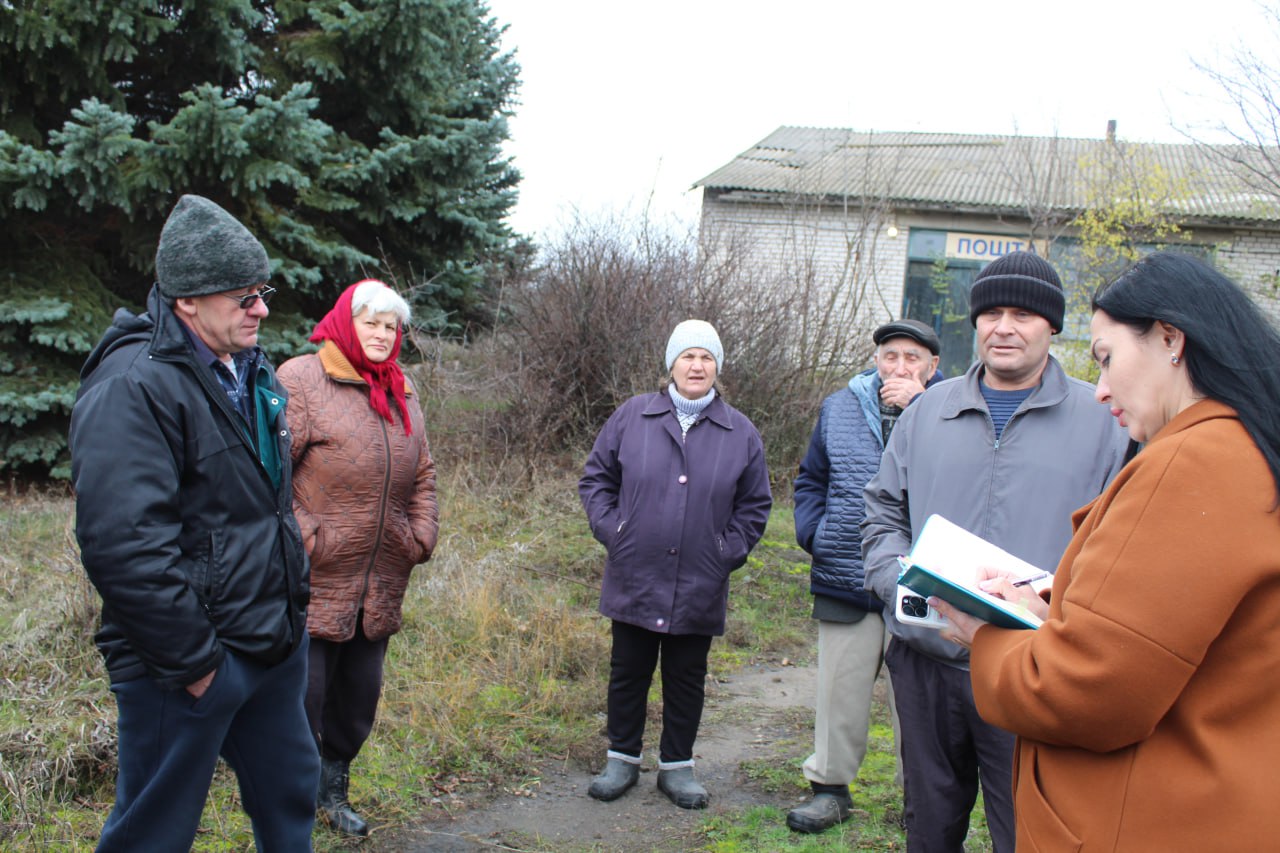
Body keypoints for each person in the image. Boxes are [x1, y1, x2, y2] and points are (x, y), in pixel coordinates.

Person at [932, 251, 1280, 851]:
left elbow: (1085, 694)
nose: (1100, 390)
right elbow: (1174, 638)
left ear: (1170, 339)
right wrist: (1050, 611)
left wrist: (984, 632)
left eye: (1107, 358)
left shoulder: (1191, 462)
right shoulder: (1250, 449)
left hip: (1146, 818)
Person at [69, 194, 317, 851]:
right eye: (244, 297)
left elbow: (260, 502)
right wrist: (197, 664)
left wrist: (290, 615)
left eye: (261, 291)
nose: (262, 308)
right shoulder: (132, 386)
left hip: (269, 639)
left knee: (292, 794)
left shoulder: (248, 368)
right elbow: (123, 544)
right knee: (152, 831)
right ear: (187, 301)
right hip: (182, 663)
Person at [861, 251, 1129, 853]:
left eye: (1023, 314)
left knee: (1028, 834)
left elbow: (1123, 542)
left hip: (1033, 669)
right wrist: (892, 578)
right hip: (927, 661)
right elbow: (881, 509)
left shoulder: (1105, 421)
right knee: (930, 831)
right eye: (991, 313)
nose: (1004, 327)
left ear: (1052, 327)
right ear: (974, 323)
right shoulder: (927, 410)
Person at [578, 319, 773, 809]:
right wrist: (613, 532)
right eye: (688, 356)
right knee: (628, 670)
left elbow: (755, 506)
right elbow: (596, 480)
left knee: (686, 675)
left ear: (717, 368)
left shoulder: (740, 431)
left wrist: (725, 553)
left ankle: (677, 767)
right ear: (671, 363)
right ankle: (621, 758)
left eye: (707, 358)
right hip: (635, 572)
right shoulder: (632, 416)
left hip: (699, 580)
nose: (697, 365)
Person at [277, 279, 439, 837]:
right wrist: (304, 537)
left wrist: (419, 533)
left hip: (381, 575)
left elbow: (422, 472)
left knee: (356, 699)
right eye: (371, 322)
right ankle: (289, 804)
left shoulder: (403, 389)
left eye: (390, 326)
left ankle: (333, 792)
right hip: (317, 575)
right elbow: (268, 475)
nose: (381, 334)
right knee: (306, 696)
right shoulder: (301, 379)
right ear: (348, 323)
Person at [786, 319, 941, 834]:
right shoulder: (840, 406)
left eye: (912, 358)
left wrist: (920, 407)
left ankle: (918, 799)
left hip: (921, 582)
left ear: (932, 366)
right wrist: (816, 532)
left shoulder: (954, 410)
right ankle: (830, 790)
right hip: (845, 571)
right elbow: (812, 477)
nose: (900, 367)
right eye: (890, 355)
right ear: (876, 359)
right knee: (839, 689)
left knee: (917, 698)